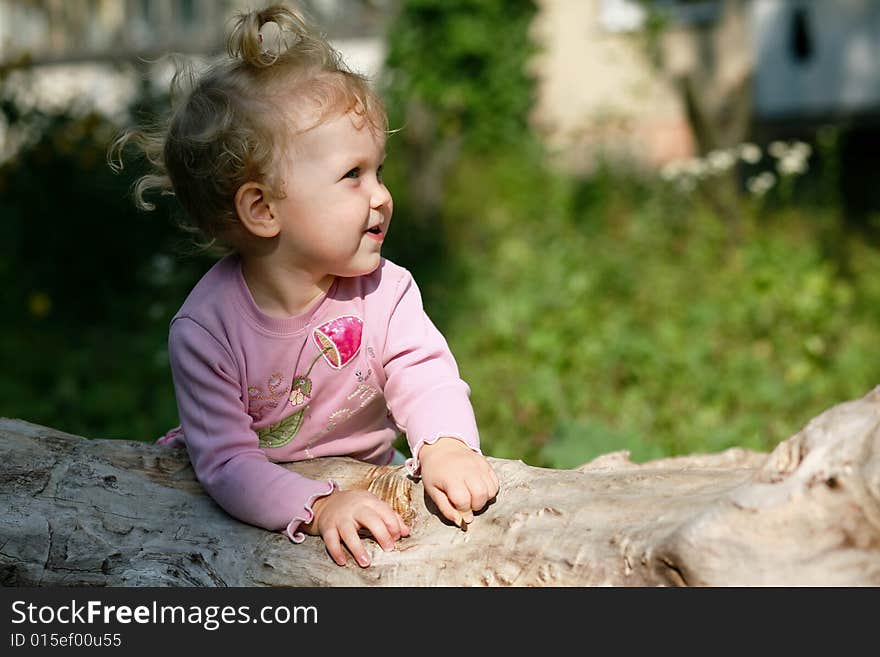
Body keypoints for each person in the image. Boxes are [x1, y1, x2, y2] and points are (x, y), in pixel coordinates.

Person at [110, 3, 499, 568]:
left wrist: (446, 444)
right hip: (258, 506)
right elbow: (228, 465)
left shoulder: (384, 290)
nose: (382, 196)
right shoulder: (207, 330)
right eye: (352, 175)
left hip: (370, 476)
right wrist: (318, 506)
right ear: (263, 208)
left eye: (379, 171)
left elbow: (424, 374)